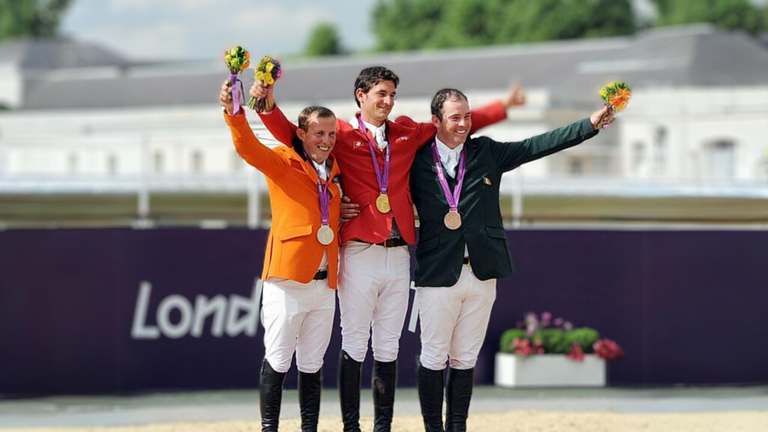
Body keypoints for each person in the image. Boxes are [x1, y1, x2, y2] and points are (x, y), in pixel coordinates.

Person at [250, 67, 523, 432]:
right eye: (381, 94)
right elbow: (291, 134)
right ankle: (351, 427)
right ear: (361, 96)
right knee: (356, 342)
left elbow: (453, 125)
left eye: (392, 94)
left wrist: (502, 106)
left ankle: (382, 427)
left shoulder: (408, 132)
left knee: (389, 347)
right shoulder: (340, 134)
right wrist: (265, 102)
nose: (388, 101)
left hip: (398, 253)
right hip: (359, 251)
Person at [410, 88, 613, 432]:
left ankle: (457, 426)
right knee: (433, 357)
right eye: (455, 117)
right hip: (438, 272)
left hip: (482, 272)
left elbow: (536, 146)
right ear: (436, 121)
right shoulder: (415, 159)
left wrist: (588, 125)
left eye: (467, 116)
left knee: (464, 359)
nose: (463, 124)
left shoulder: (486, 151)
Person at [220, 81, 342, 432]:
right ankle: (269, 428)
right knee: (277, 360)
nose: (327, 140)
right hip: (287, 281)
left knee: (313, 364)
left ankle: (309, 428)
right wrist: (234, 112)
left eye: (331, 133)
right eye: (319, 133)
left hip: (325, 283)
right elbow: (248, 148)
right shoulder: (284, 163)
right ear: (301, 134)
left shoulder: (334, 174)